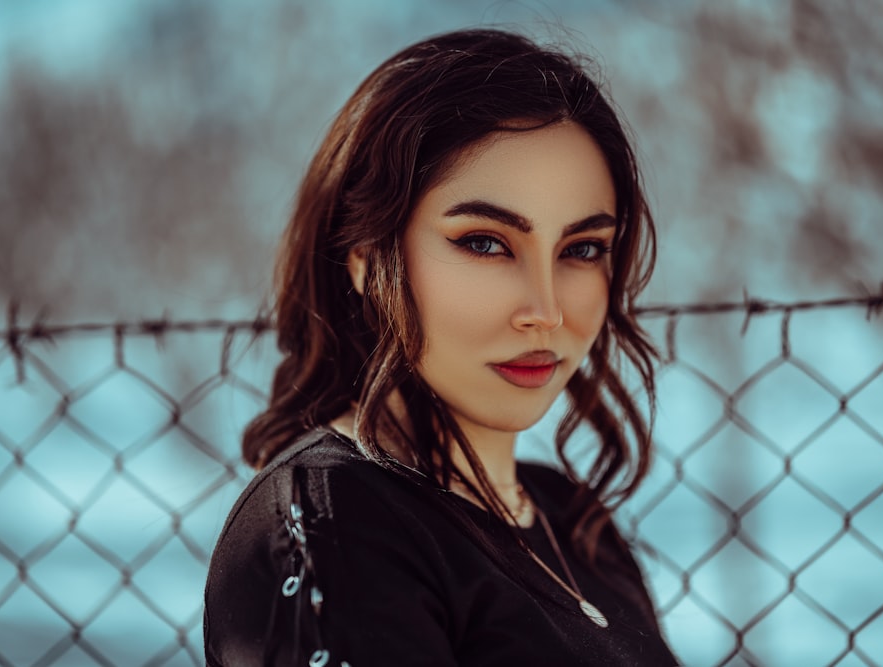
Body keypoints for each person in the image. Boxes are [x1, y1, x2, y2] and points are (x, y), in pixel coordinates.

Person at [204, 28, 679, 666]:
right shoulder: (334, 524)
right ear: (368, 258)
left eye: (582, 249)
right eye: (485, 242)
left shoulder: (571, 519)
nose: (545, 311)